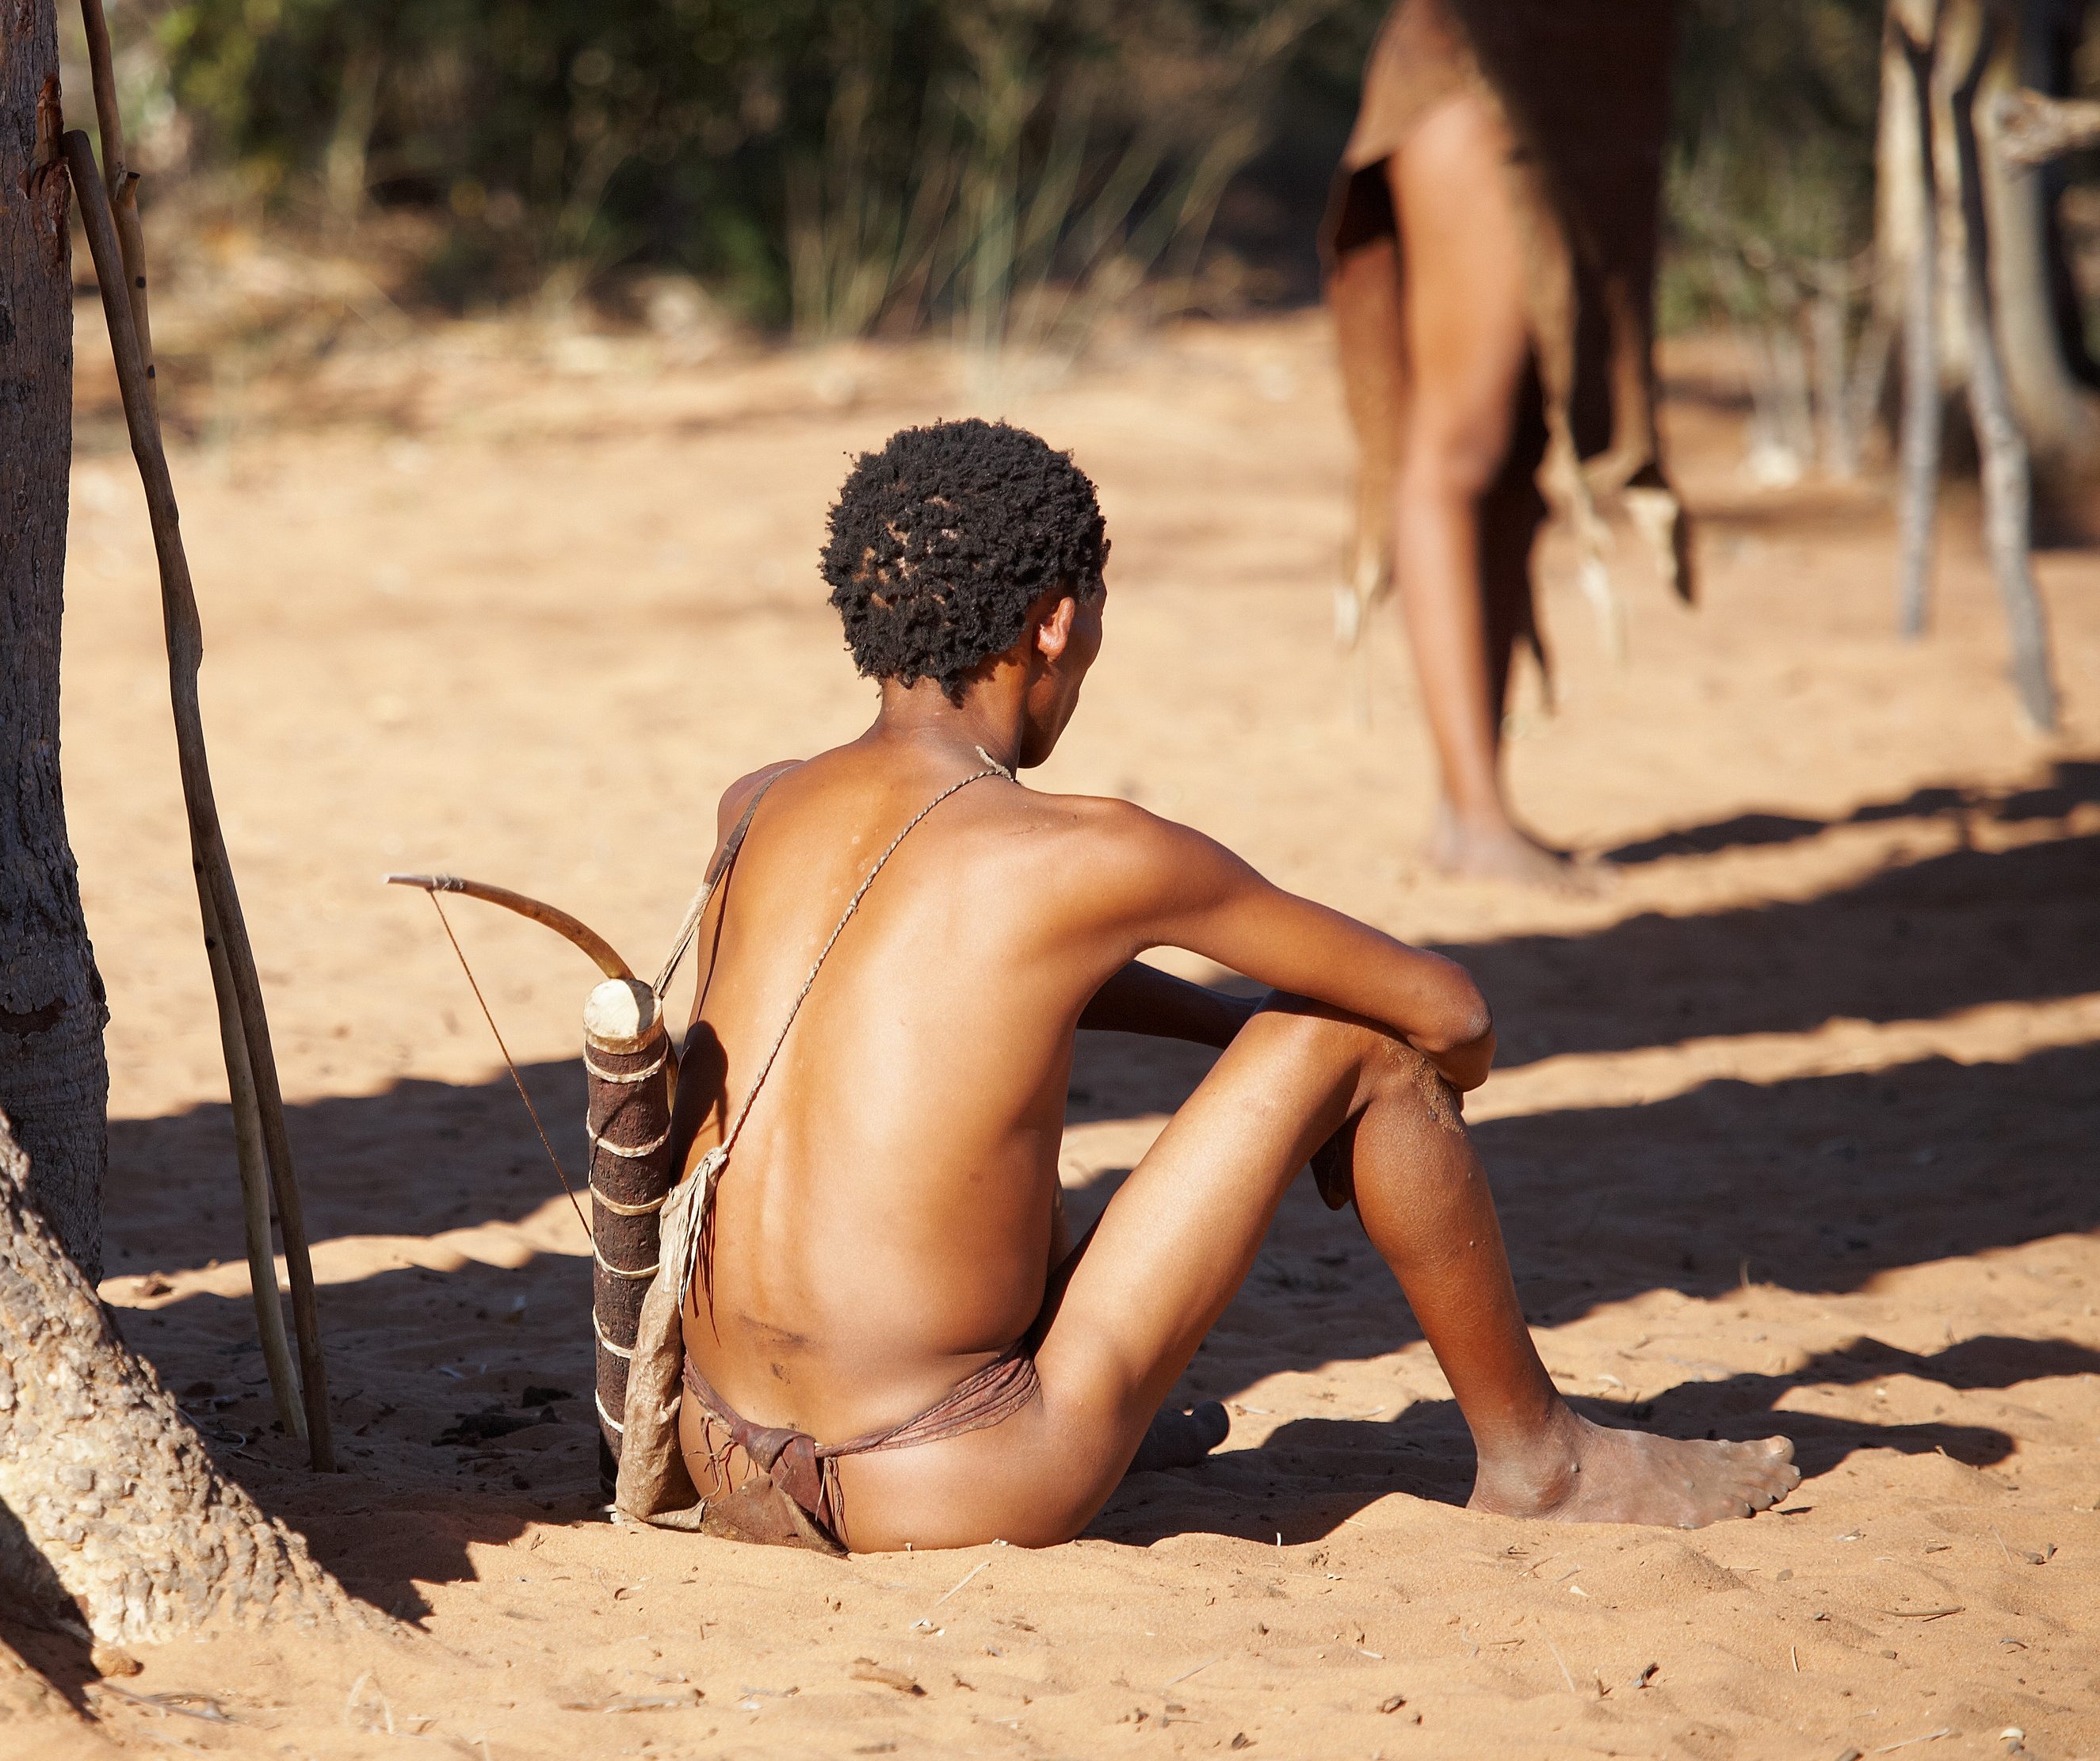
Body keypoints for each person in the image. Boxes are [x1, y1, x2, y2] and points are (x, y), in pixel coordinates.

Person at [655, 418, 1791, 1553]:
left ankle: (1072, 1372)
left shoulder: (756, 807)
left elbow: (948, 985)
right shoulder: (1085, 853)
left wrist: (1227, 1026)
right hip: (957, 1478)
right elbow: (1452, 1014)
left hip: (725, 1452)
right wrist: (1336, 1082)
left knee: (995, 1055)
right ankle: (1544, 1461)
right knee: (1360, 1035)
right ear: (1054, 623)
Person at [1324, 0, 1689, 889]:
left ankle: (1470, 810)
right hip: (1479, 70)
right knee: (1462, 444)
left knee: (1520, 450)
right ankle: (1478, 817)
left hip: (1583, 91)